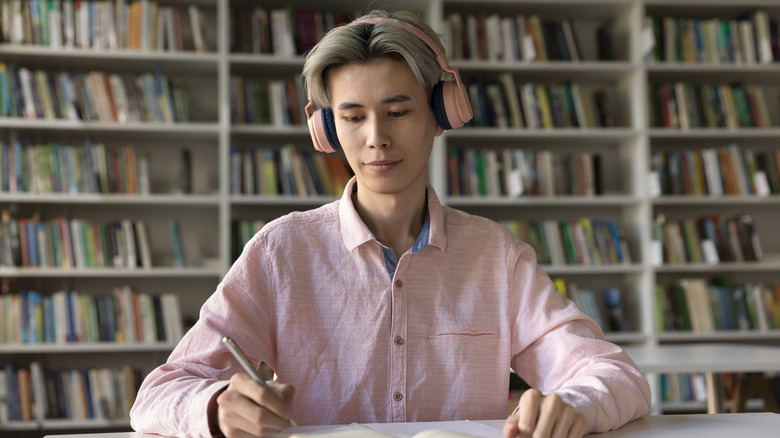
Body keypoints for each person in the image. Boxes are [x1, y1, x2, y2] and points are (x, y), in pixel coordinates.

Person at [130, 9, 651, 438]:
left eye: (398, 112)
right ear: (329, 128)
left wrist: (576, 406)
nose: (375, 137)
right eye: (353, 117)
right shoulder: (280, 251)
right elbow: (157, 394)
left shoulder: (498, 257)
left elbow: (616, 376)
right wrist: (216, 408)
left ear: (440, 114)